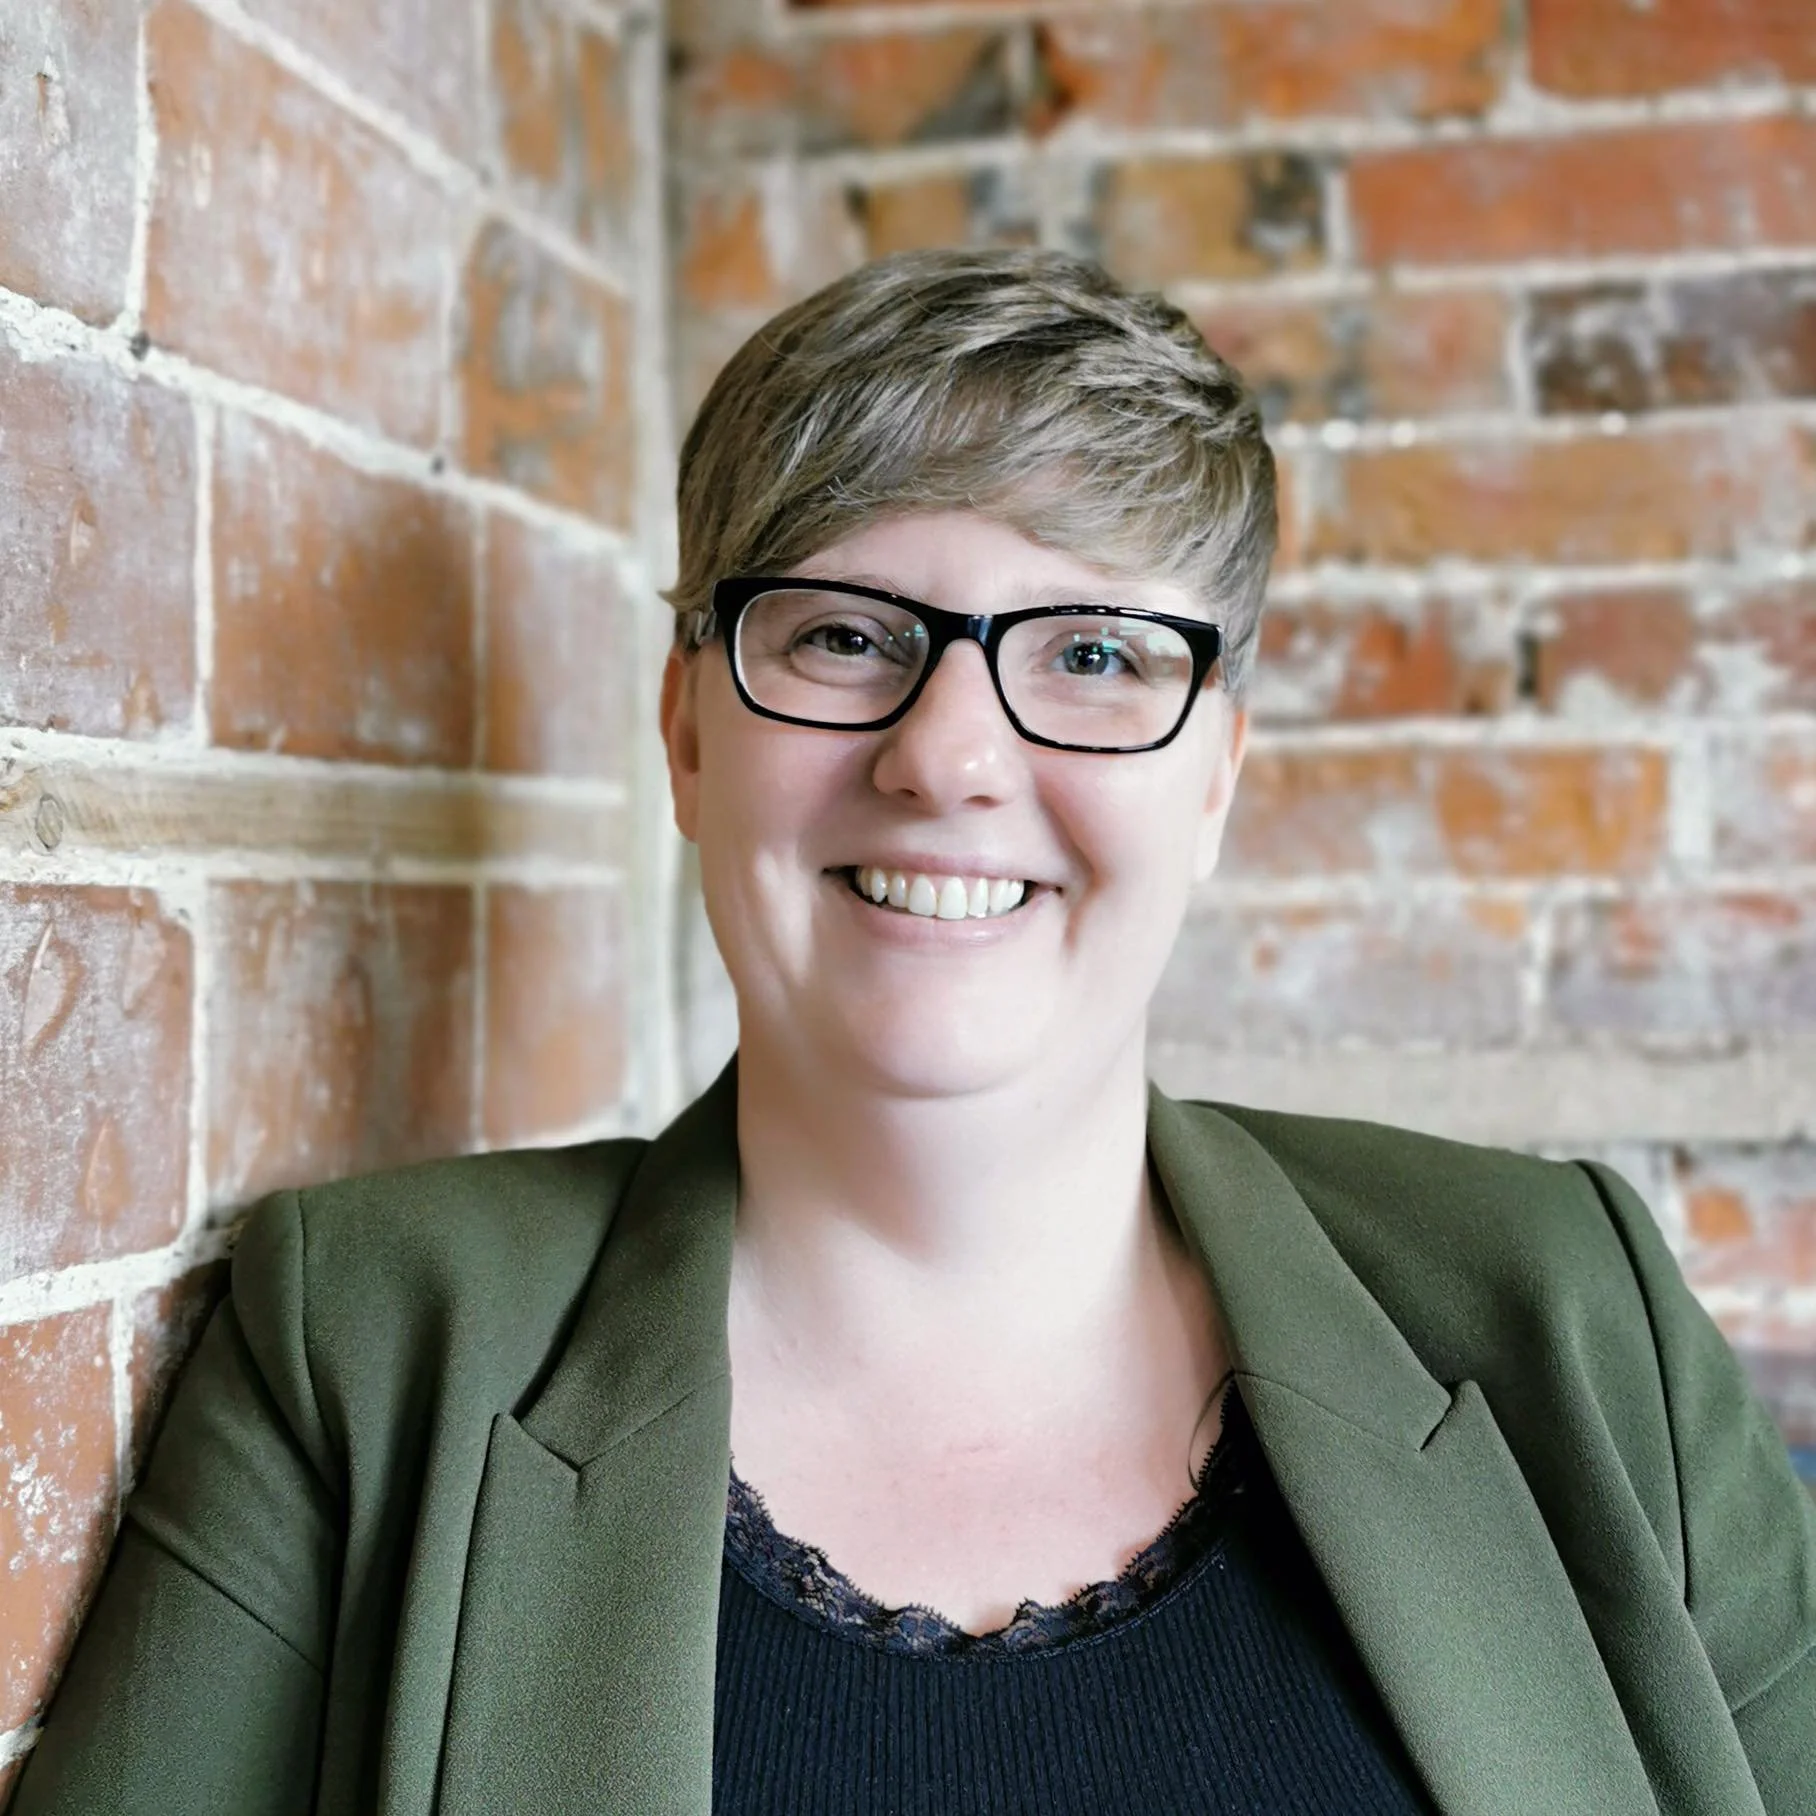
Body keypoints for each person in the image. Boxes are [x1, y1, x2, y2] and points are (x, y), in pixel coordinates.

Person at [15, 248, 1815, 1816]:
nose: (948, 754)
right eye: (844, 637)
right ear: (691, 736)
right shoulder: (370, 1345)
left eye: (1095, 654)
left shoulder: (1564, 1312)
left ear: (1218, 778)